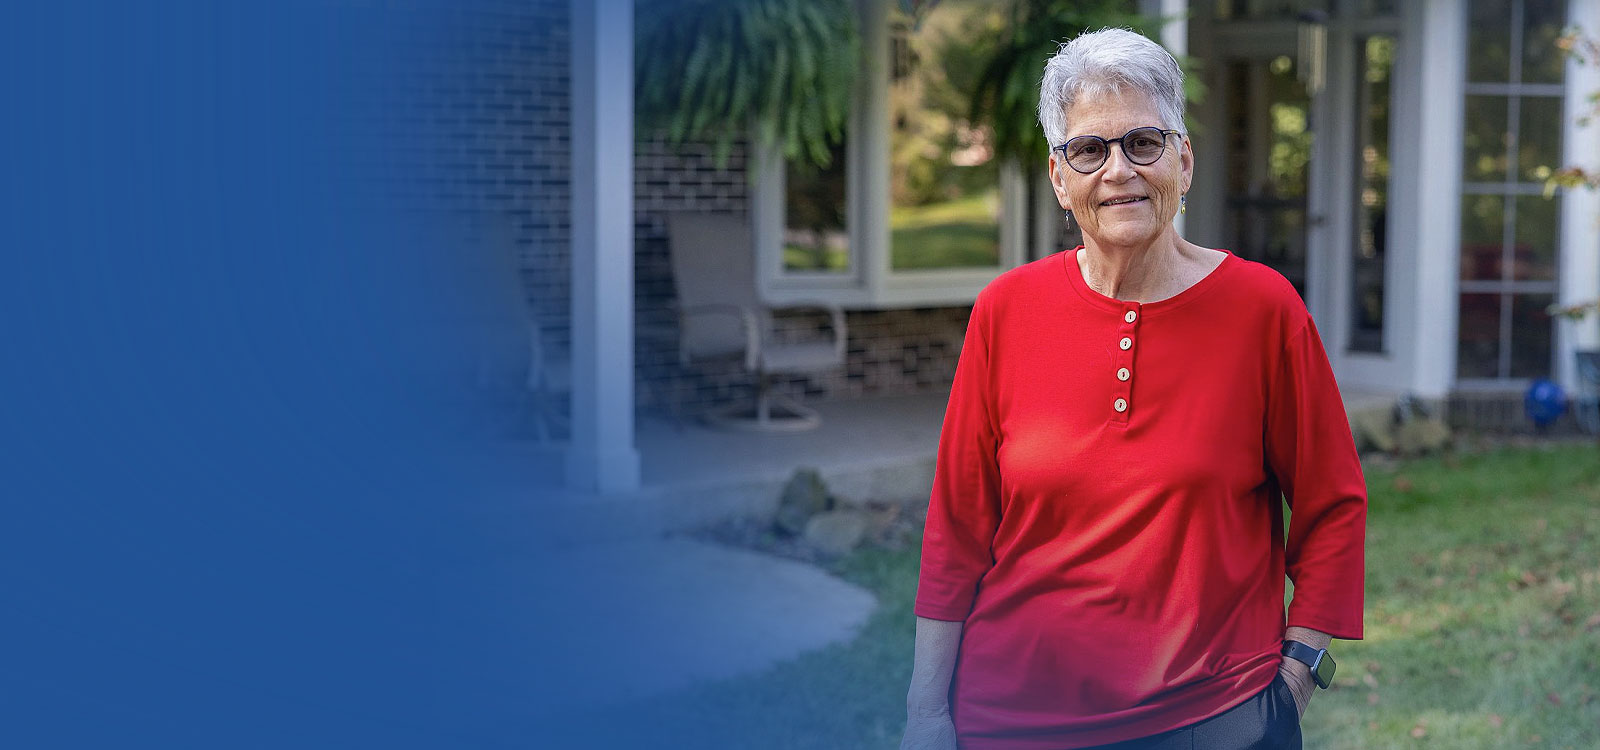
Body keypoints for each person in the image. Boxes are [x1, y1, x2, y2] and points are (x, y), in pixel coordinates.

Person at [900, 28, 1366, 750]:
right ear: (1060, 178)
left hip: (1213, 720)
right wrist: (927, 713)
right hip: (1012, 720)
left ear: (1183, 160)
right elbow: (956, 531)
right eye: (1089, 150)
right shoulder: (1005, 311)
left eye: (1143, 143)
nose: (1118, 170)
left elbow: (1332, 506)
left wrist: (1299, 675)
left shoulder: (1262, 310)